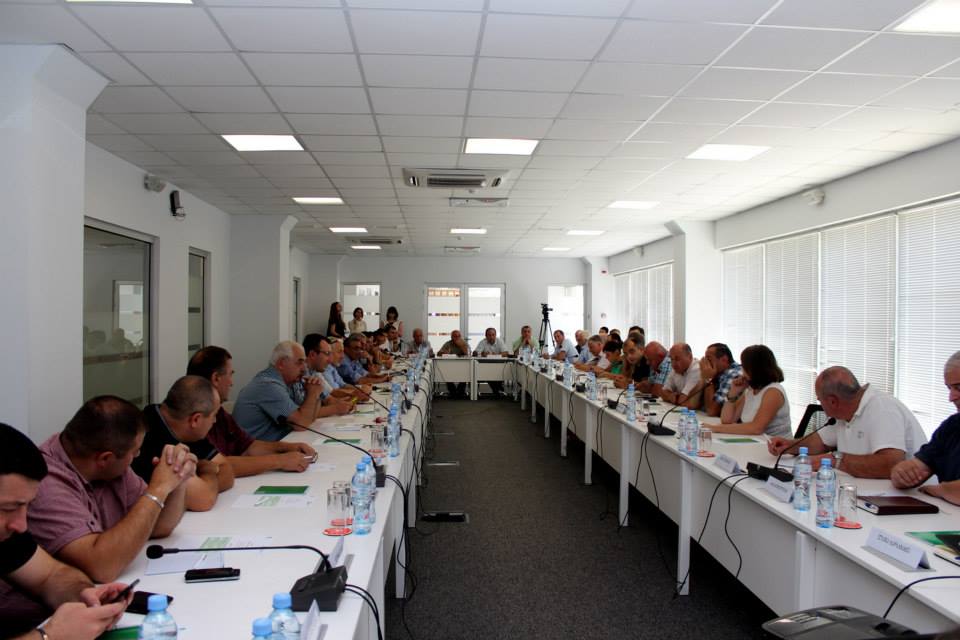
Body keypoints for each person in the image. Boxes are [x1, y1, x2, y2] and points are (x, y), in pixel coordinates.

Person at [23, 397, 194, 587]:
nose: (137, 456)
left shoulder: (110, 467)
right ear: (105, 459)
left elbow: (158, 526)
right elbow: (103, 568)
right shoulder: (45, 484)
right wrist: (158, 488)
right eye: (135, 452)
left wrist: (177, 477)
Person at [0, 423, 133, 637]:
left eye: (26, 506)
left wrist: (84, 595)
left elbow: (50, 576)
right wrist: (52, 635)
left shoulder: (7, 534)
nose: (21, 525)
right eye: (8, 508)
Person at [768, 366, 928, 477]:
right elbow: (820, 442)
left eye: (820, 400)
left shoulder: (882, 409)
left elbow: (891, 464)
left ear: (833, 401)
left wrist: (835, 460)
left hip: (909, 500)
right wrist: (790, 446)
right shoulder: (844, 413)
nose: (820, 404)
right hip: (866, 490)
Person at [188, 346, 319, 476]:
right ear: (216, 378)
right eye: (230, 375)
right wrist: (279, 461)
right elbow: (219, 465)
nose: (231, 383)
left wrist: (286, 448)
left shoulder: (219, 412)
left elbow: (248, 447)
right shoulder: (196, 418)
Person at [134, 376, 234, 512]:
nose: (215, 421)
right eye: (213, 415)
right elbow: (204, 500)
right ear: (196, 419)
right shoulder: (149, 438)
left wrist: (203, 484)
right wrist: (208, 471)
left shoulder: (188, 431)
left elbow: (226, 470)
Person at [234, 341, 353, 442]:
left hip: (283, 442)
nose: (304, 368)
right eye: (299, 362)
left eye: (304, 362)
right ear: (281, 363)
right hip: (256, 453)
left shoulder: (290, 381)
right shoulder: (268, 385)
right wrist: (313, 394)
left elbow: (310, 416)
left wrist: (316, 392)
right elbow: (301, 423)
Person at [890, 351, 960, 504]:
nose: (951, 397)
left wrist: (939, 490)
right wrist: (901, 473)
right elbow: (919, 466)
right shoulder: (951, 426)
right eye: (949, 388)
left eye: (958, 387)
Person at [712, 345, 791, 437]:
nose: (742, 369)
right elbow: (727, 420)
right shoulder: (751, 390)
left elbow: (756, 428)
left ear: (753, 368)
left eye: (744, 365)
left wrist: (715, 428)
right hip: (756, 441)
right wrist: (733, 392)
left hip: (775, 444)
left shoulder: (773, 392)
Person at [700, 343, 744, 418]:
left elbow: (712, 411)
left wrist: (708, 379)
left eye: (709, 359)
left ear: (724, 359)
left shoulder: (733, 374)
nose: (706, 364)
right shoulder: (719, 373)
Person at [658, 343, 703, 409]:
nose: (673, 364)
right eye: (672, 359)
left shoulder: (697, 369)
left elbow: (682, 401)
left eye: (677, 359)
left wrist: (674, 397)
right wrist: (670, 396)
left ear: (690, 357)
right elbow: (662, 393)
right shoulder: (676, 369)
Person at [473, 328, 509, 395]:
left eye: (493, 335)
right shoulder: (483, 342)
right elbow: (475, 353)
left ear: (495, 335)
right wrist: (482, 354)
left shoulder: (500, 341)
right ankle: (497, 390)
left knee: (496, 373)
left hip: (498, 366)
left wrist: (497, 355)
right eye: (489, 335)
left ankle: (497, 390)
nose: (491, 337)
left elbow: (506, 353)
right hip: (486, 366)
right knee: (488, 372)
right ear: (486, 336)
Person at [438, 330, 470, 397]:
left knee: (466, 372)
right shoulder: (448, 343)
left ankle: (460, 391)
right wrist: (444, 353)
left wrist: (461, 346)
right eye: (455, 336)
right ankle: (453, 391)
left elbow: (468, 354)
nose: (457, 338)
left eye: (459, 336)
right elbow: (439, 353)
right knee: (445, 372)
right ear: (451, 337)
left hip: (462, 366)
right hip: (450, 365)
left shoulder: (464, 343)